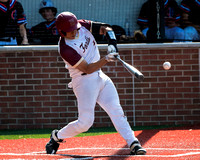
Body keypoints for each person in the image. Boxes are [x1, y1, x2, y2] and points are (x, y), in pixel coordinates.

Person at [45, 11, 146, 156]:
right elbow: (87, 68)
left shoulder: (82, 25)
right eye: (69, 31)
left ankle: (133, 143)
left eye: (75, 29)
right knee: (85, 123)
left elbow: (107, 28)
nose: (74, 32)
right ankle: (56, 137)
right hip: (84, 81)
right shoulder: (65, 48)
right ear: (61, 32)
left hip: (100, 76)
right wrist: (106, 58)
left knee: (116, 110)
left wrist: (112, 44)